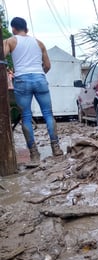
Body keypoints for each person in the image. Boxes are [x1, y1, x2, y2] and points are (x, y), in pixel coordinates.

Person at [3, 17, 63, 167]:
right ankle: (56, 148)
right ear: (27, 29)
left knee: (26, 117)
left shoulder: (10, 41)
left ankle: (34, 154)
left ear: (13, 29)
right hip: (40, 78)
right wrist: (38, 74)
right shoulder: (39, 43)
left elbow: (1, 57)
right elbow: (47, 66)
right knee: (48, 114)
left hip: (22, 80)